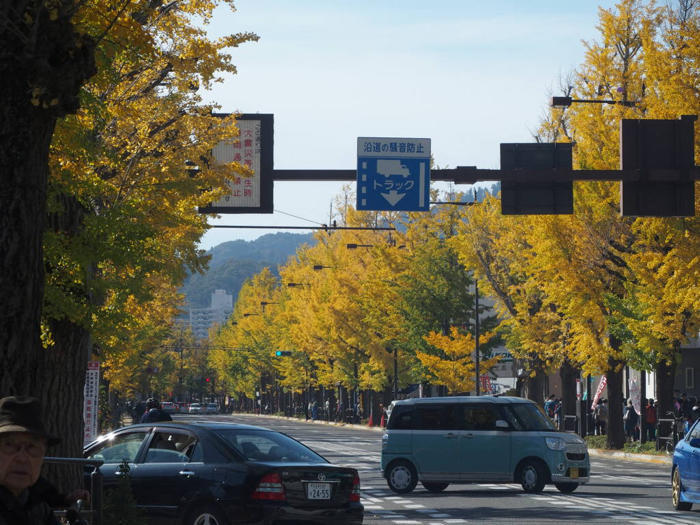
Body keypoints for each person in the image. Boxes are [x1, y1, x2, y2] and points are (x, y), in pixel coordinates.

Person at [0, 396, 88, 525]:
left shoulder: (37, 505)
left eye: (33, 447)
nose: (23, 458)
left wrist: (67, 499)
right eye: (9, 445)